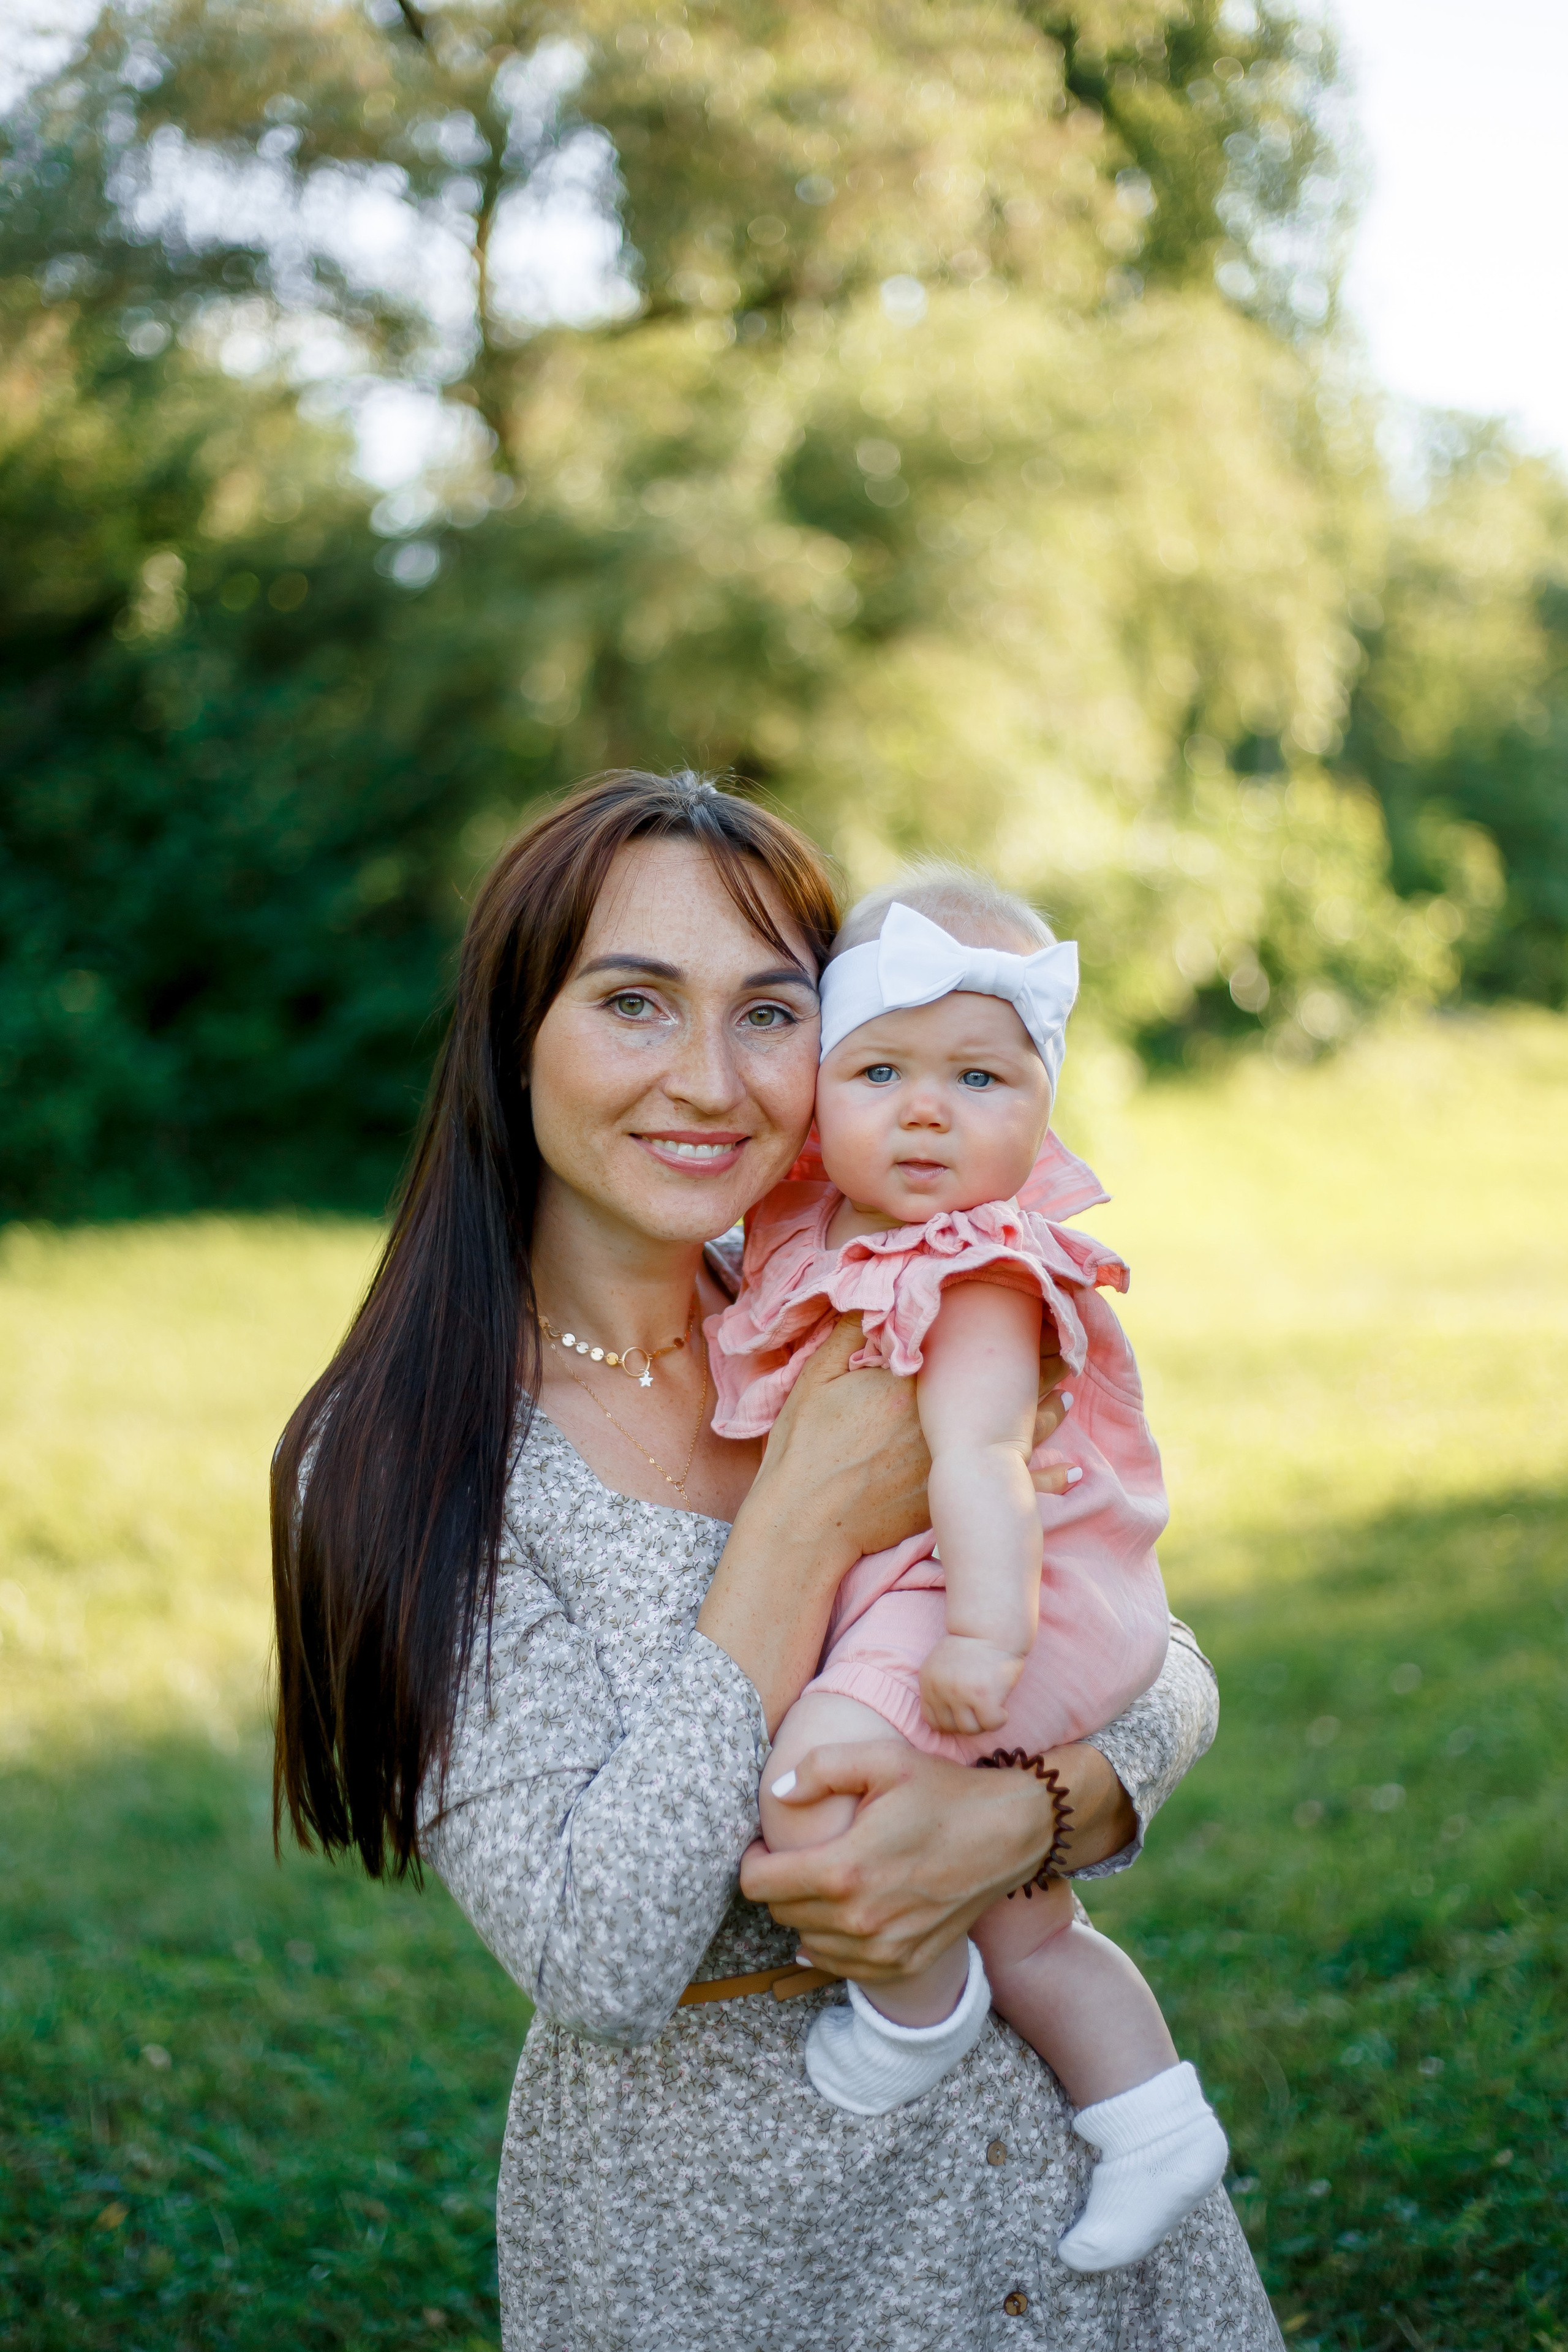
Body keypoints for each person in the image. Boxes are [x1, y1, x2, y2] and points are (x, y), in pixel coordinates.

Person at [272, 771, 1284, 2351]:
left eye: (767, 1013)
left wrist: (1021, 1815)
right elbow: (597, 1952)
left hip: (1057, 2183)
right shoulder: (407, 1450)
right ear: (512, 1031)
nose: (707, 1080)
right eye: (633, 1002)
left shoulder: (870, 1296)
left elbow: (1149, 1650)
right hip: (736, 2246)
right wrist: (803, 1517)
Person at [710, 874, 1227, 2270]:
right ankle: (1153, 2118)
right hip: (942, 1581)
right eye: (880, 1073)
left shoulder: (979, 1266)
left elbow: (985, 1460)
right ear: (821, 1091)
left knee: (814, 1777)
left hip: (1005, 1591)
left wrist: (985, 1642)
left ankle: (913, 2015)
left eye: (978, 1078)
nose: (925, 1112)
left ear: (1042, 1108)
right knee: (1027, 1922)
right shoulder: (819, 1230)